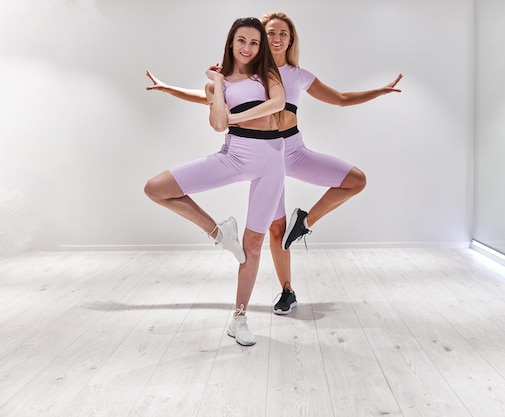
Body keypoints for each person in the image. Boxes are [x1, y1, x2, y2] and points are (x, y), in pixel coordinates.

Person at [144, 17, 285, 346]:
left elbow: (276, 104)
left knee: (253, 246)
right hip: (234, 157)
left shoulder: (268, 75)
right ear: (231, 42)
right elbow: (218, 124)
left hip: (271, 163)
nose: (247, 48)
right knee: (156, 188)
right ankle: (219, 232)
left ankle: (240, 318)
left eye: (254, 42)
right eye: (241, 41)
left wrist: (234, 115)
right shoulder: (217, 84)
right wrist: (217, 85)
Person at [260, 11, 403, 315]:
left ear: (291, 39)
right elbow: (215, 99)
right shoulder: (249, 74)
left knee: (356, 180)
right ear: (262, 36)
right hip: (264, 159)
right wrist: (174, 88)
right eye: (271, 32)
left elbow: (339, 98)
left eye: (282, 33)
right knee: (275, 230)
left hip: (295, 151)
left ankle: (305, 223)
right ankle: (287, 291)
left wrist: (379, 90)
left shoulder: (299, 75)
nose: (276, 38)